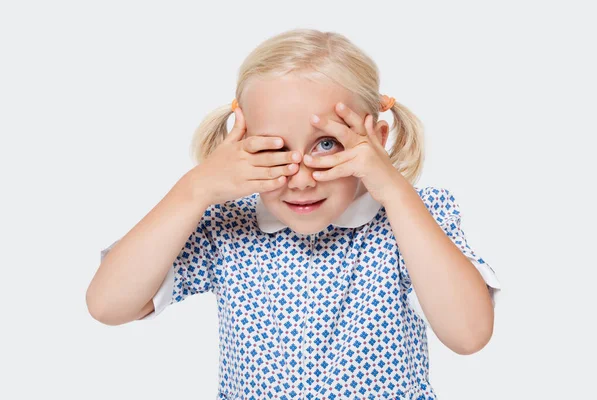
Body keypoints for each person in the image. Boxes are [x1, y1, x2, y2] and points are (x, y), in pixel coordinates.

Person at [87, 28, 501, 400]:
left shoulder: (412, 220)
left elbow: (468, 335)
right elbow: (108, 305)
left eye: (326, 144)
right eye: (273, 148)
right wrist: (195, 189)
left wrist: (394, 189)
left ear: (376, 139)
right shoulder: (228, 227)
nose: (300, 179)